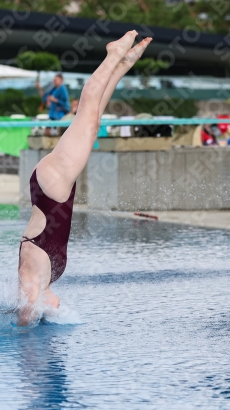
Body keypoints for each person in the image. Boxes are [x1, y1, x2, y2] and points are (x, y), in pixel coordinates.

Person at [17, 31, 152, 326]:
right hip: (55, 190)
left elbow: (23, 317)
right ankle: (122, 64)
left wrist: (24, 334)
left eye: (52, 307)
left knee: (87, 118)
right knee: (93, 121)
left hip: (50, 187)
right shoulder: (48, 279)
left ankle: (113, 54)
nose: (58, 306)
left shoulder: (31, 280)